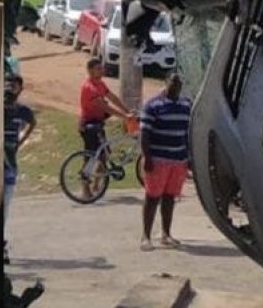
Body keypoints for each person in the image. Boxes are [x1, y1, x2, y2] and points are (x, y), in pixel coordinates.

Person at [139, 72, 192, 251]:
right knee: (152, 197)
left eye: (178, 82)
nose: (175, 85)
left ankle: (166, 234)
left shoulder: (186, 105)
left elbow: (189, 132)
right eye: (172, 82)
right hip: (158, 159)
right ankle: (146, 236)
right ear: (166, 83)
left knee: (170, 197)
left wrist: (189, 157)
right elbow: (144, 134)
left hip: (178, 159)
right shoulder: (153, 105)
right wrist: (147, 157)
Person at [79, 57, 132, 200]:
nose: (102, 71)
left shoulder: (100, 84)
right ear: (90, 71)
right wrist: (124, 116)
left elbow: (112, 98)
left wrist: (127, 111)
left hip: (98, 124)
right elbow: (105, 106)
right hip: (89, 125)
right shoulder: (89, 87)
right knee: (90, 156)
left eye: (102, 68)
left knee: (104, 155)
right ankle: (85, 188)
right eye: (98, 69)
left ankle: (96, 185)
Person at [3, 73, 36, 236]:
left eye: (13, 87)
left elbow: (32, 123)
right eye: (7, 85)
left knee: (5, 206)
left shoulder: (22, 110)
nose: (9, 90)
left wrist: (20, 141)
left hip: (9, 165)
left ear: (20, 90)